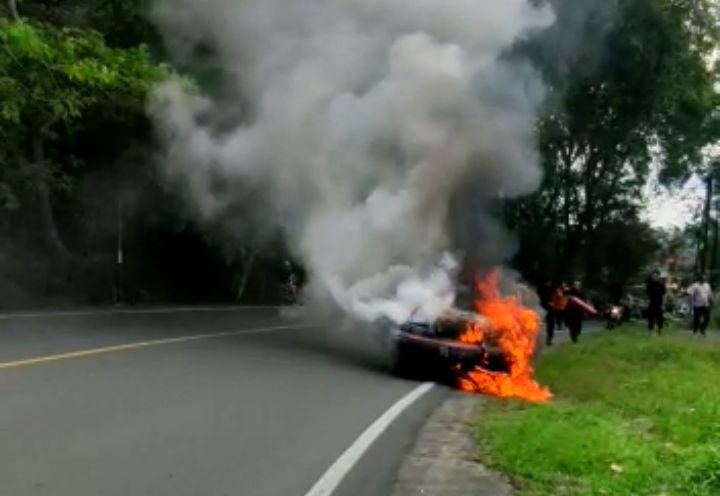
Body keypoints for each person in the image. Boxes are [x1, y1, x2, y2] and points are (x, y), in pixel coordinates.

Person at [645, 270, 666, 334]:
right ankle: (650, 329)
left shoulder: (661, 285)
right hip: (652, 302)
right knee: (650, 316)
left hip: (659, 302)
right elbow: (648, 293)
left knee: (659, 316)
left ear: (658, 276)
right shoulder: (649, 284)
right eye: (654, 276)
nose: (655, 277)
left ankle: (660, 329)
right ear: (652, 276)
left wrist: (663, 303)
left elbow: (663, 293)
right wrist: (647, 300)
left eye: (656, 276)